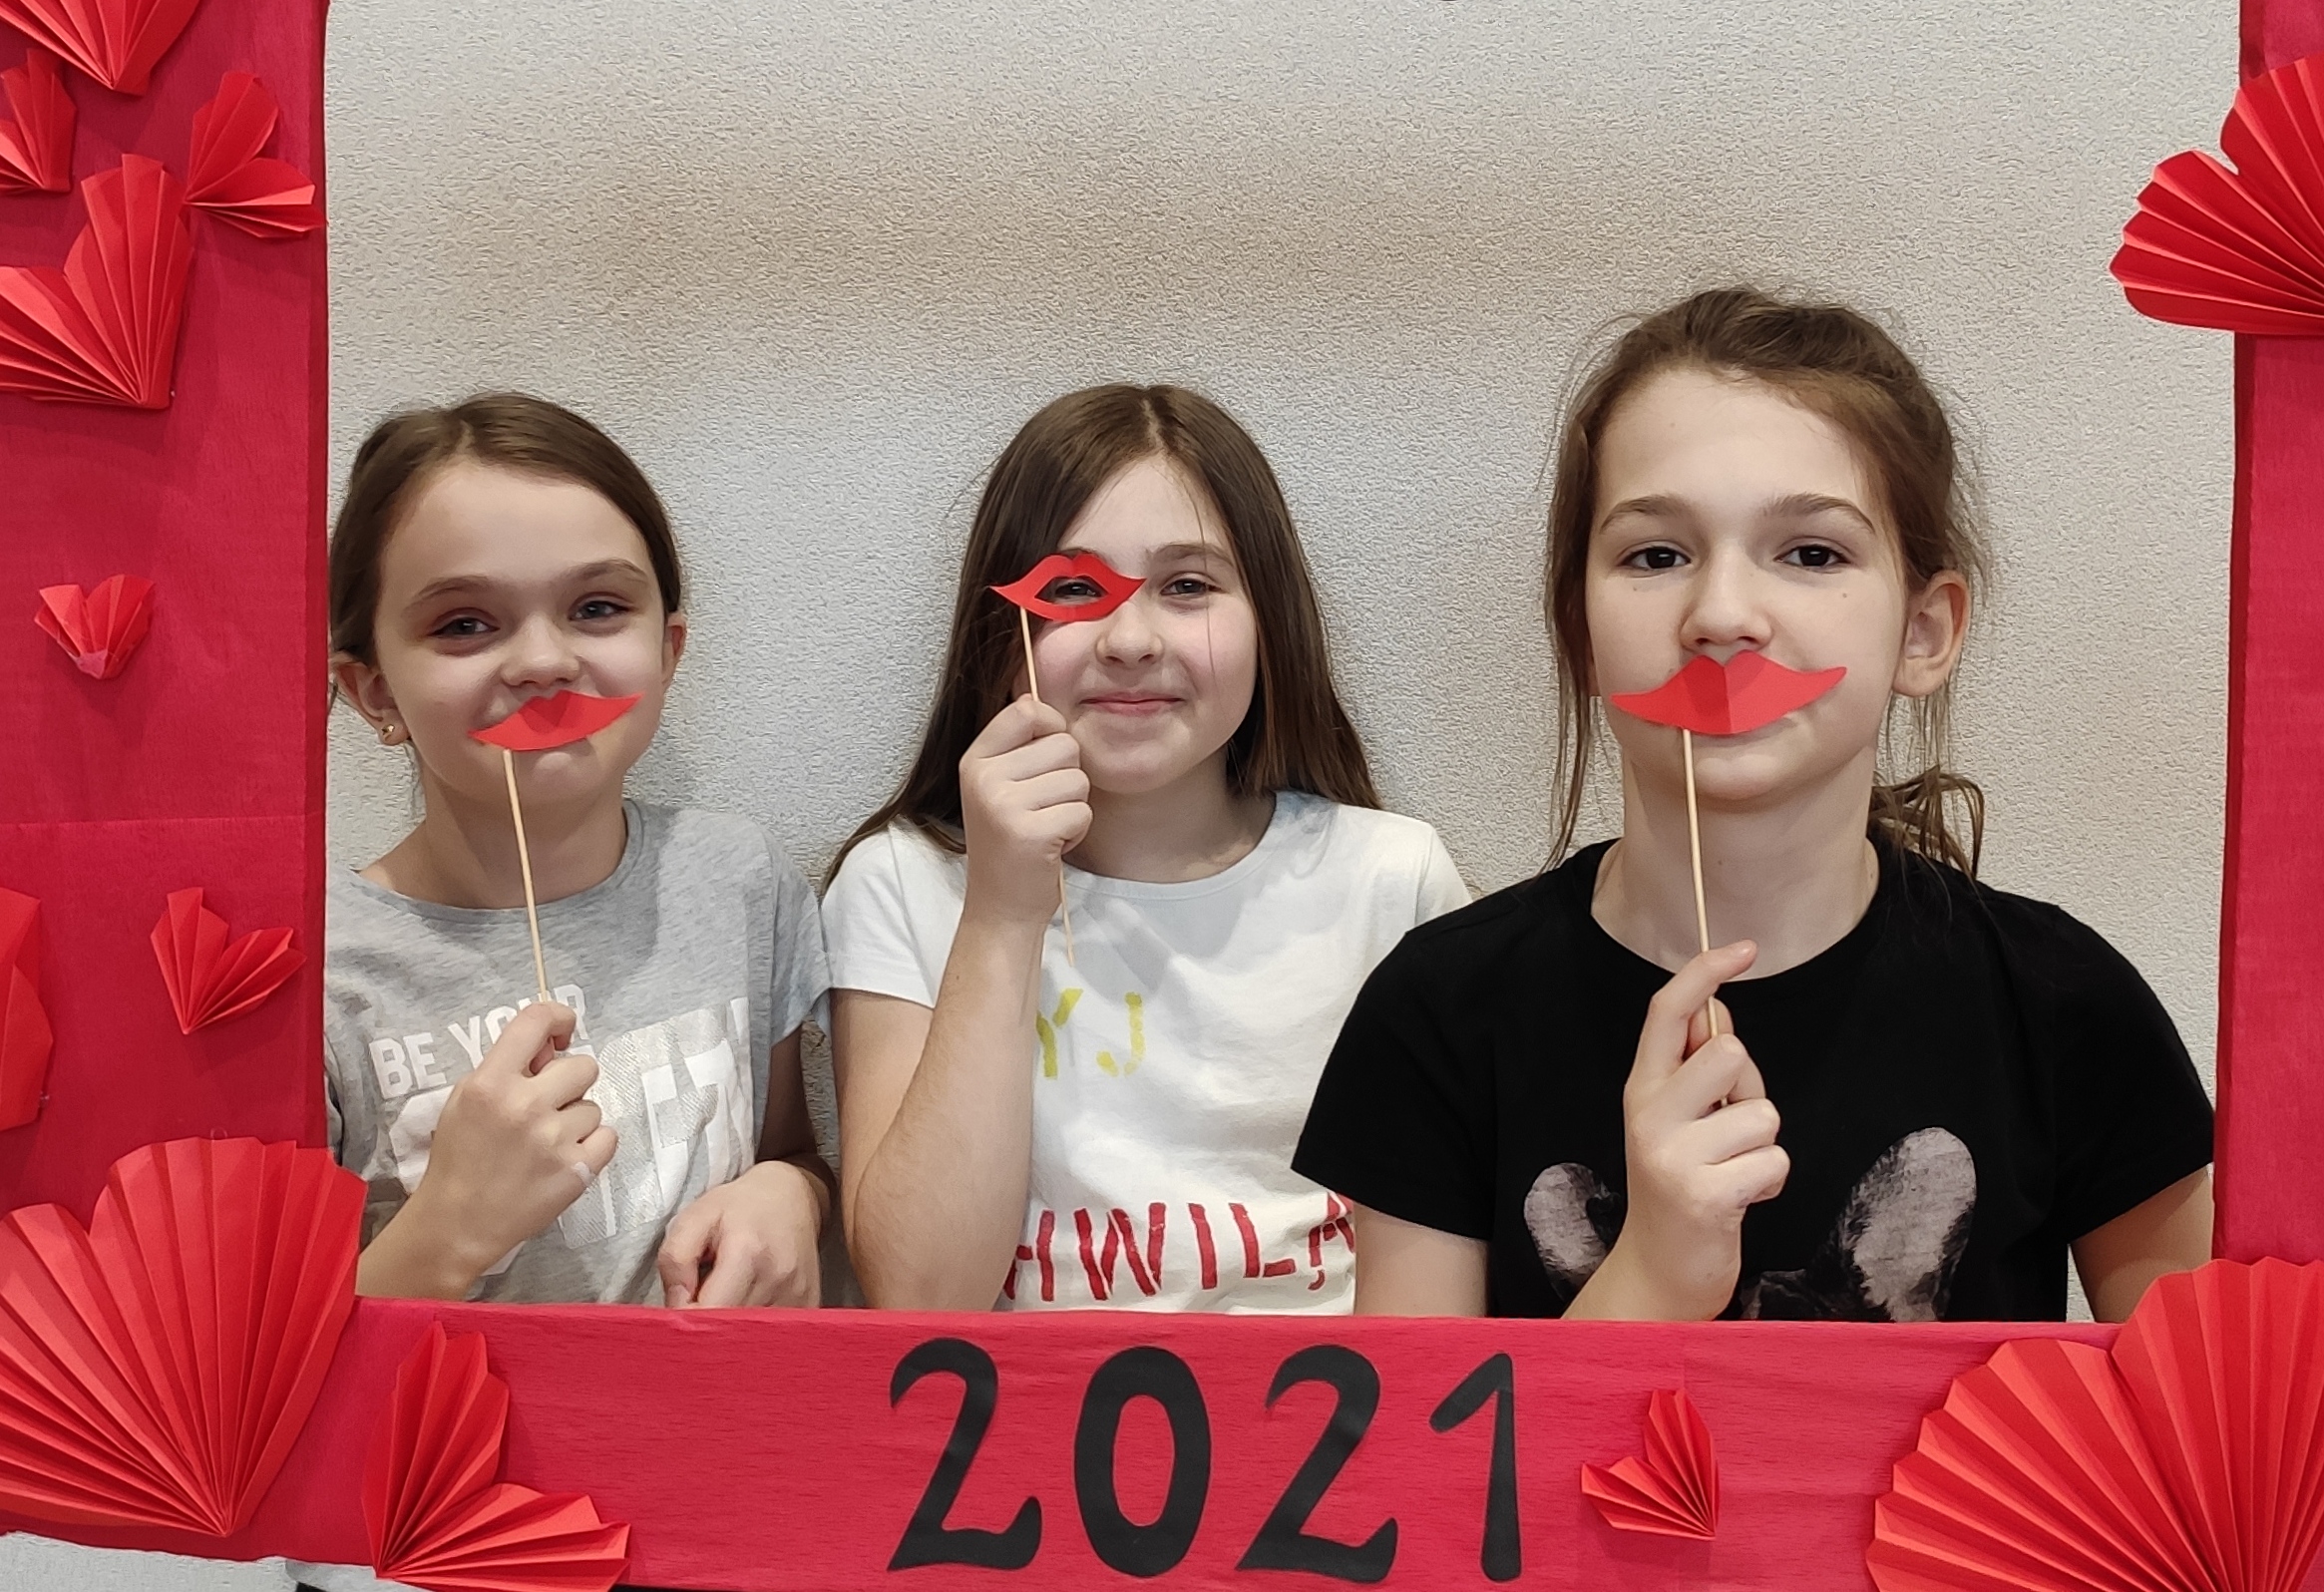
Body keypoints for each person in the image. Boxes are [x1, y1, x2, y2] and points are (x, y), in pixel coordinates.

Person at [1297, 286, 2214, 1322]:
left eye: (1811, 553)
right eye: (1656, 555)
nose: (1722, 615)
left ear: (1923, 631)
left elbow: (2202, 1410)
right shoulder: (1437, 1015)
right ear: (1580, 630)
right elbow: (1426, 1435)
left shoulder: (2066, 1009)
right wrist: (1648, 1278)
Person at [827, 383, 1468, 1313]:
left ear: (1269, 618)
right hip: (1021, 1406)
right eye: (1073, 589)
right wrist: (1002, 912)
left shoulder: (1392, 880)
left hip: (1324, 1403)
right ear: (1000, 630)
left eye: (1188, 586)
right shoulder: (900, 883)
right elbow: (922, 1301)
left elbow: (1437, 1306)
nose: (1129, 640)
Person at [323, 394, 832, 1309]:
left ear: (667, 650)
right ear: (374, 692)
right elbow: (258, 1363)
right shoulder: (317, 979)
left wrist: (792, 1191)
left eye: (597, 608)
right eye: (464, 624)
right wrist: (447, 1233)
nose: (543, 662)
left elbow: (789, 1147)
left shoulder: (741, 881)